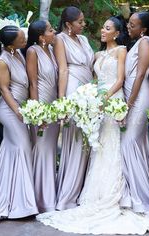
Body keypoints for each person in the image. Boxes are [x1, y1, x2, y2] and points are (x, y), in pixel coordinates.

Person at [36, 17, 149, 235]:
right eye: (103, 26)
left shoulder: (122, 50)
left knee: (113, 144)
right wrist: (90, 97)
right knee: (99, 145)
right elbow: (94, 80)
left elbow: (120, 79)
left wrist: (104, 98)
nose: (102, 30)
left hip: (112, 99)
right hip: (98, 103)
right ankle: (96, 194)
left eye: (107, 28)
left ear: (117, 33)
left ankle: (117, 193)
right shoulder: (97, 55)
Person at [0, 25, 38, 223]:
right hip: (8, 109)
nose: (25, 40)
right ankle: (22, 203)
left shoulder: (18, 54)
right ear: (11, 43)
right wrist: (18, 111)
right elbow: (5, 90)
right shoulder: (3, 61)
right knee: (23, 147)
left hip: (20, 108)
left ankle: (10, 194)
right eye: (21, 38)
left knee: (11, 150)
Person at [54, 6, 94, 210]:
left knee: (88, 136)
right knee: (76, 137)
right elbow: (62, 69)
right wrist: (62, 100)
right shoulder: (60, 39)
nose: (83, 24)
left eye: (83, 20)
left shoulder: (85, 40)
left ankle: (84, 189)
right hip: (72, 87)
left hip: (89, 88)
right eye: (80, 22)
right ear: (68, 25)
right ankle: (69, 191)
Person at [120, 11, 149, 213]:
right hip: (133, 95)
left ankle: (139, 195)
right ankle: (134, 190)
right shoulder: (139, 42)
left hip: (140, 97)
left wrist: (129, 103)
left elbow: (141, 74)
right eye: (128, 23)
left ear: (143, 29)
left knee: (128, 143)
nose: (128, 27)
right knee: (135, 143)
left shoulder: (144, 43)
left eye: (133, 25)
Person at [23, 20, 59, 213]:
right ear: (41, 37)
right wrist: (37, 111)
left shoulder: (51, 51)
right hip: (41, 103)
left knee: (50, 149)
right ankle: (39, 199)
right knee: (41, 147)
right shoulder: (33, 51)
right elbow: (33, 83)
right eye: (51, 30)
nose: (54, 32)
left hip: (53, 103)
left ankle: (49, 195)